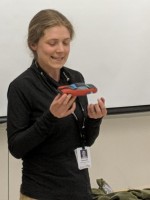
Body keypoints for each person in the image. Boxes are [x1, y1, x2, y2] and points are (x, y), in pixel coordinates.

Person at [7, 9, 107, 200]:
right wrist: (51, 117)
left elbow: (85, 141)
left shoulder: (75, 78)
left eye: (66, 42)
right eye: (52, 43)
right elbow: (17, 148)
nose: (61, 49)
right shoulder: (21, 87)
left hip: (79, 190)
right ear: (33, 44)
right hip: (41, 193)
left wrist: (94, 120)